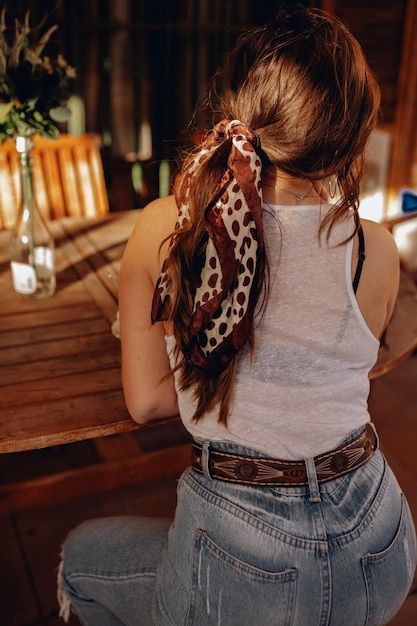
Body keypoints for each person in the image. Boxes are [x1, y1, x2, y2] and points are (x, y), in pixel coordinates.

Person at [57, 6, 416, 625]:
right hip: (380, 543)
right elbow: (366, 350)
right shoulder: (375, 248)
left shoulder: (166, 228)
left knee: (77, 561)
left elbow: (145, 402)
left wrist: (211, 364)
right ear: (351, 134)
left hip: (242, 568)